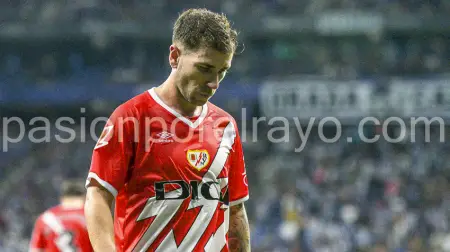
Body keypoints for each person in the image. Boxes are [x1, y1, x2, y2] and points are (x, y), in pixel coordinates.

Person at [84, 8, 251, 252]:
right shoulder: (131, 118)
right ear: (174, 56)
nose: (214, 83)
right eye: (204, 69)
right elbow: (98, 195)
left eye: (221, 72)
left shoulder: (225, 126)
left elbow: (236, 209)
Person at [29, 179, 93, 252]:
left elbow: (36, 250)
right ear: (85, 197)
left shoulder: (45, 218)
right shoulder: (90, 216)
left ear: (62, 198)